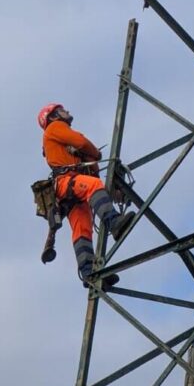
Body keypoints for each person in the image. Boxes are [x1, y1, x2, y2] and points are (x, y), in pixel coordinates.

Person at [38, 103, 134, 287]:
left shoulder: (61, 140)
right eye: (62, 110)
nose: (67, 111)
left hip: (68, 192)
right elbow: (82, 143)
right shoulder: (55, 127)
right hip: (67, 182)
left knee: (82, 228)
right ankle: (114, 222)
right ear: (52, 116)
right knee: (93, 185)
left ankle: (89, 272)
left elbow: (90, 163)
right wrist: (95, 153)